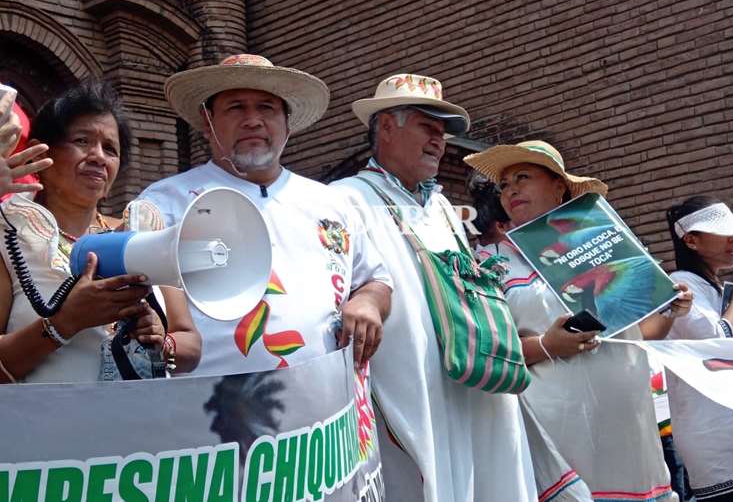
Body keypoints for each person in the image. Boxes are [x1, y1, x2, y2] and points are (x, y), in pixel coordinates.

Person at [332, 74, 537, 502]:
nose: (438, 141)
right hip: (406, 385)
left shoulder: (442, 206)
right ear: (386, 126)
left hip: (473, 379)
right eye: (428, 127)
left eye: (442, 133)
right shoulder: (344, 198)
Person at [138, 54, 392, 376]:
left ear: (288, 123)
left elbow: (376, 279)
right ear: (207, 122)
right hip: (212, 416)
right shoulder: (165, 205)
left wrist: (367, 302)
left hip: (331, 418)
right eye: (236, 107)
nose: (253, 120)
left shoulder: (330, 202)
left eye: (266, 108)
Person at [465, 140, 687, 501]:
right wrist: (547, 346)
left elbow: (630, 335)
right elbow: (484, 351)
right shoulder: (489, 262)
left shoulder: (604, 241)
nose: (511, 190)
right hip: (558, 432)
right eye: (504, 185)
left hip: (630, 430)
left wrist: (667, 308)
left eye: (523, 177)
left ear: (559, 186)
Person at [0, 80, 200, 383]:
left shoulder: (146, 234)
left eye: (110, 149)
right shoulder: (9, 232)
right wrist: (65, 323)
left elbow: (190, 343)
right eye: (82, 141)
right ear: (38, 155)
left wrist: (162, 340)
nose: (98, 157)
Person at [665, 196, 733, 501]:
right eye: (722, 232)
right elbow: (717, 340)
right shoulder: (679, 286)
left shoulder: (717, 290)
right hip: (718, 441)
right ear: (691, 241)